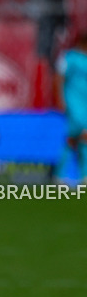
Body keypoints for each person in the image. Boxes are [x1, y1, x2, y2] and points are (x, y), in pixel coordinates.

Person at [56, 33, 87, 185]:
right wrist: (61, 99)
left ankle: (83, 175)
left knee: (82, 138)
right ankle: (59, 174)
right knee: (72, 138)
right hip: (73, 102)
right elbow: (59, 77)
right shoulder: (69, 57)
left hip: (84, 102)